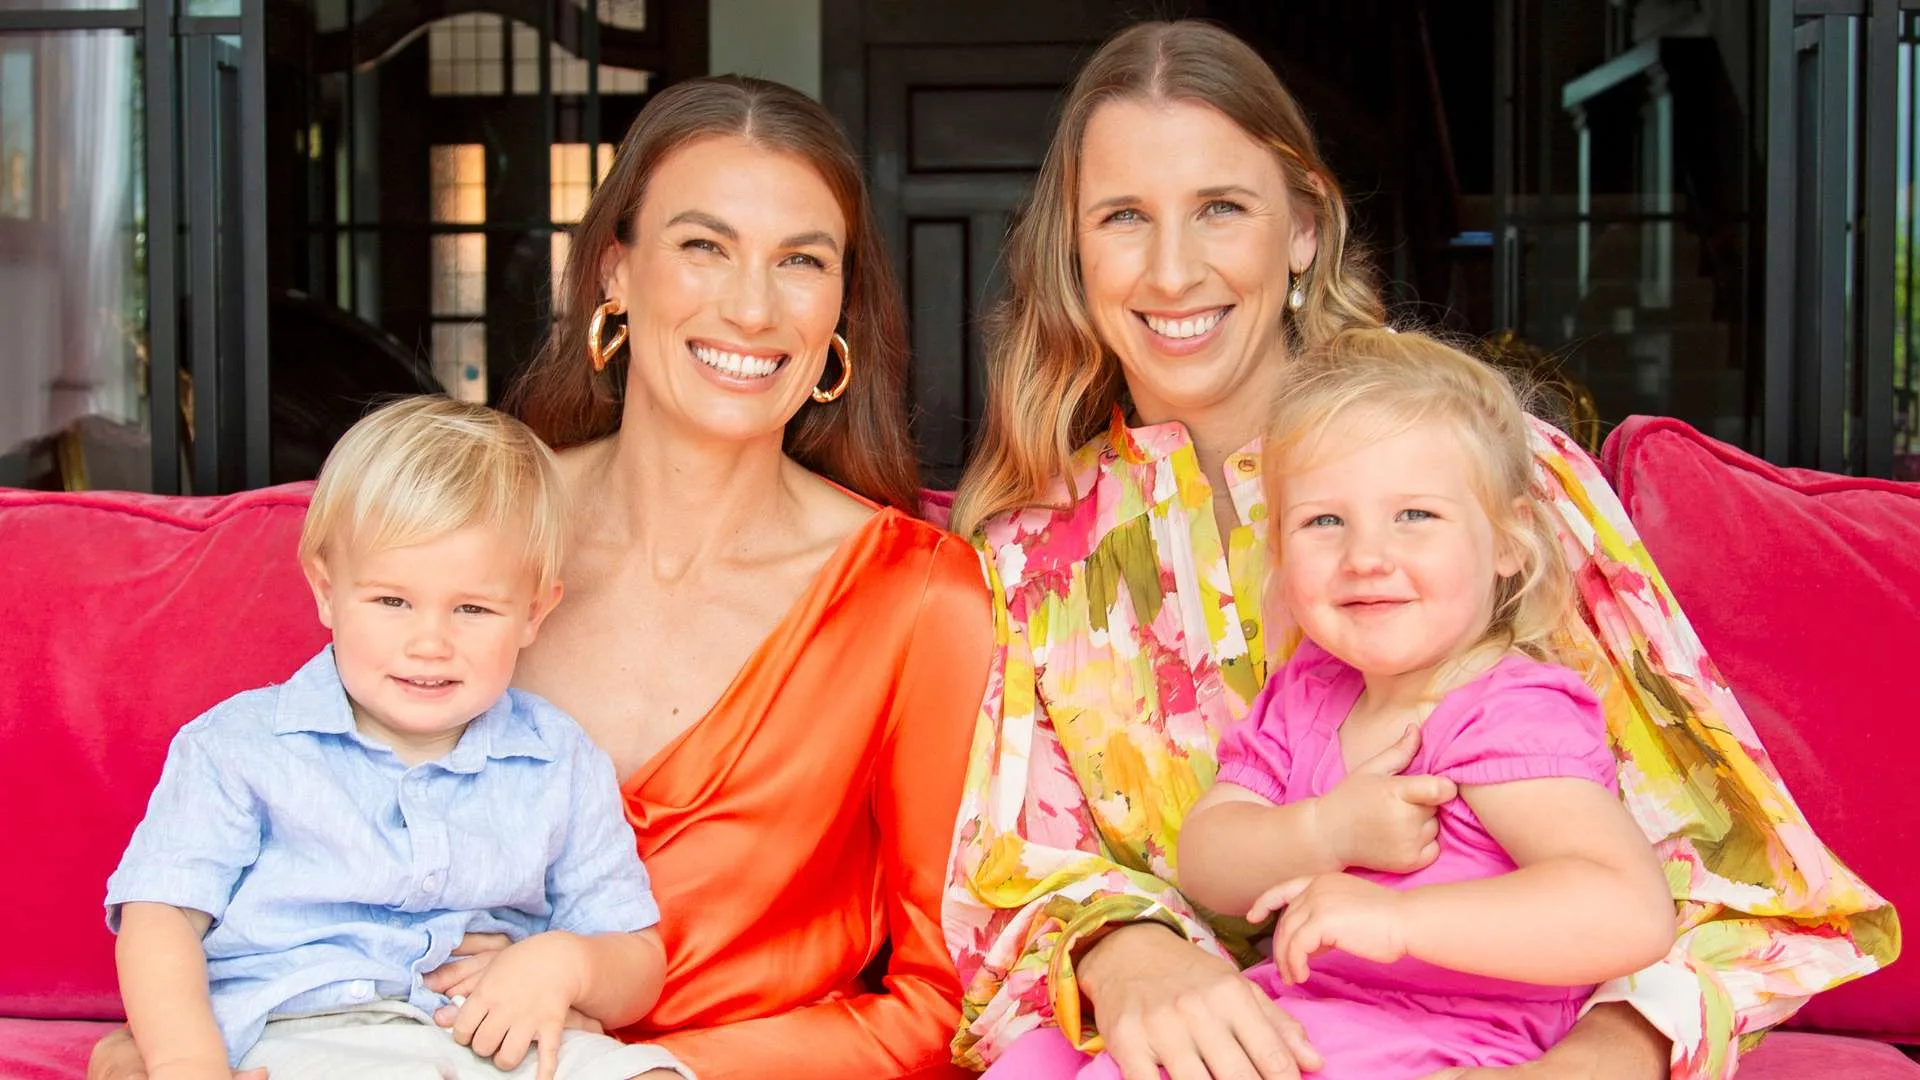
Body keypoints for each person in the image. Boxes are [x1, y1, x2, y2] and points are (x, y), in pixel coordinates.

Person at [944, 19, 1895, 1080]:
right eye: (1124, 216)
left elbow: (1737, 885)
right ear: (1074, 252)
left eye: (1222, 208)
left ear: (1304, 228)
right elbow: (1005, 884)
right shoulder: (1029, 559)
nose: (1173, 271)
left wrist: (1602, 1055)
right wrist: (1123, 955)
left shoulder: (1491, 474)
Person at [91, 74, 993, 1080]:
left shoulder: (921, 599)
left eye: (802, 260)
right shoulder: (466, 531)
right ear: (616, 271)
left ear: (841, 306)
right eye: (704, 246)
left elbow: (945, 1003)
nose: (751, 306)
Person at [1133, 329, 1672, 1079]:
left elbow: (1626, 910)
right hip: (1307, 1014)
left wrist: (1398, 920)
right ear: (1280, 553)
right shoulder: (1311, 690)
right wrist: (1325, 831)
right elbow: (1207, 862)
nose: (1365, 557)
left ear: (1508, 542)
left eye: (1415, 515)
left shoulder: (1504, 712)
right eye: (1324, 521)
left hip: (1448, 1040)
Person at [106, 396, 688, 1080]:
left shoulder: (559, 761)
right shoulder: (237, 748)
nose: (430, 643)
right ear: (326, 591)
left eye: (473, 608)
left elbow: (637, 963)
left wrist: (565, 965)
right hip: (308, 1033)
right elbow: (161, 918)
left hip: (492, 1033)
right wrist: (187, 1063)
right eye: (392, 601)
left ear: (534, 612)